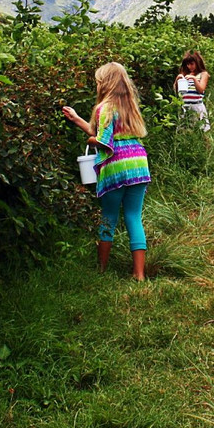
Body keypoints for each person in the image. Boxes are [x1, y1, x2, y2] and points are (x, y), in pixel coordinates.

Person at [62, 62, 151, 280]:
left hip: (116, 165)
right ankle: (139, 274)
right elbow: (104, 130)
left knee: (108, 217)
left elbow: (103, 141)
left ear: (105, 83)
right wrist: (77, 119)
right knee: (133, 217)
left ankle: (101, 269)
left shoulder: (104, 108)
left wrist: (90, 139)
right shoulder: (129, 105)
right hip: (138, 162)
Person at [174, 50, 211, 131]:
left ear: (197, 63)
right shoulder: (186, 75)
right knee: (185, 128)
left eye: (192, 64)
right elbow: (177, 91)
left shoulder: (203, 74)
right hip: (185, 106)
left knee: (199, 128)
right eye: (188, 64)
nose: (189, 66)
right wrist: (178, 79)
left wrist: (194, 79)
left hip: (196, 106)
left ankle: (204, 142)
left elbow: (201, 89)